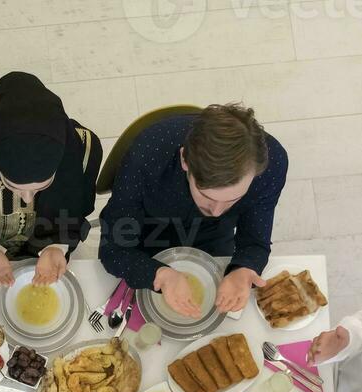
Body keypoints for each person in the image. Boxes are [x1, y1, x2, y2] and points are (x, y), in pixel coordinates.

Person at [98, 103, 288, 317]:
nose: (217, 211)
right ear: (184, 160)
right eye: (207, 196)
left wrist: (244, 268)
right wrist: (159, 275)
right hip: (147, 229)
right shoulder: (148, 154)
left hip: (214, 234)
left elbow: (254, 240)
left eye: (233, 199)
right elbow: (114, 249)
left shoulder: (273, 165)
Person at [0, 71, 102, 287]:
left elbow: (79, 209)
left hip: (46, 252)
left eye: (43, 186)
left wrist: (56, 246)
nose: (28, 199)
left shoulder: (84, 150)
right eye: (13, 186)